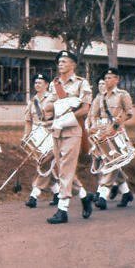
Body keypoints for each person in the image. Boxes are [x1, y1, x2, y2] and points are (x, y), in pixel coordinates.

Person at [46, 50, 93, 224]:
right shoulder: (55, 84)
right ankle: (84, 196)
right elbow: (49, 105)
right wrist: (48, 107)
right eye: (59, 61)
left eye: (64, 61)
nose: (60, 64)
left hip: (73, 130)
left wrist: (67, 118)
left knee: (65, 167)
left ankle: (62, 209)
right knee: (61, 169)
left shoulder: (82, 84)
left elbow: (85, 109)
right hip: (57, 130)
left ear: (73, 64)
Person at [89, 67, 134, 209]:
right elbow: (93, 114)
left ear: (117, 79)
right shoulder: (100, 97)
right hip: (102, 133)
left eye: (110, 78)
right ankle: (126, 193)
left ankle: (103, 194)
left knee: (113, 161)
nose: (107, 80)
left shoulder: (122, 94)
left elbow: (128, 113)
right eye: (106, 78)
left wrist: (114, 127)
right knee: (109, 162)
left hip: (116, 132)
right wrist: (93, 127)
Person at [23, 73, 60, 208]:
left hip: (50, 136)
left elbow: (59, 117)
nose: (37, 85)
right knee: (44, 165)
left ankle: (34, 195)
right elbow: (28, 121)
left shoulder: (52, 99)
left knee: (45, 164)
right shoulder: (32, 101)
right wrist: (26, 136)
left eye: (40, 82)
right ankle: (57, 193)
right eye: (35, 83)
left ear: (46, 84)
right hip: (36, 136)